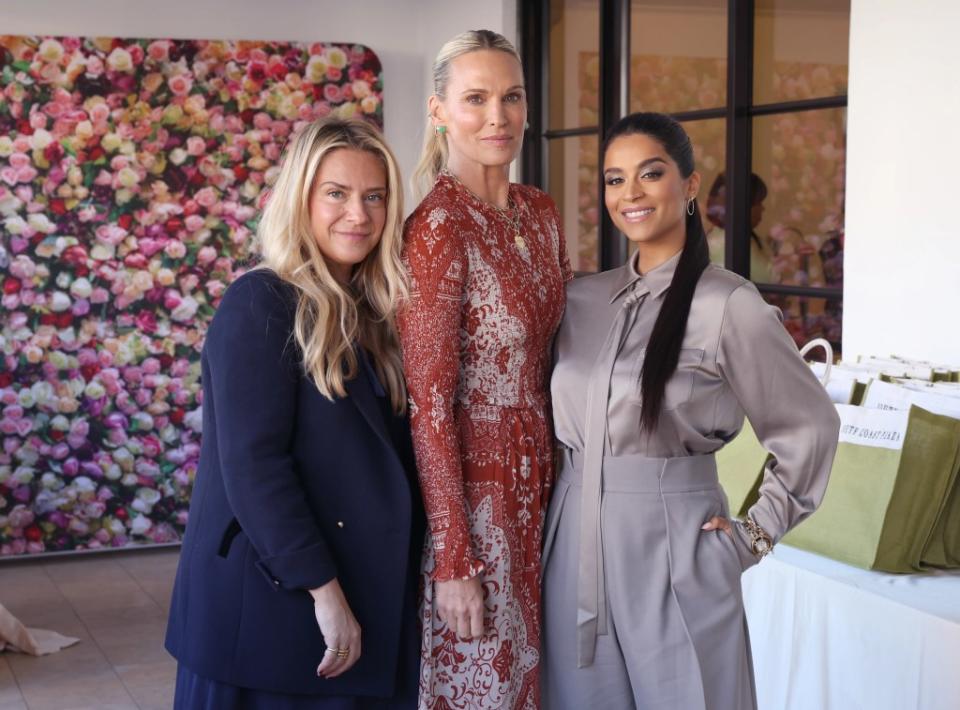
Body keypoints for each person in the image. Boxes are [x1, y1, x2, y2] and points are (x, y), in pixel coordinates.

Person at [542, 112, 840, 710]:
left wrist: (752, 536)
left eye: (650, 174)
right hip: (572, 543)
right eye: (614, 179)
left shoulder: (728, 303)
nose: (630, 193)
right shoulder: (579, 298)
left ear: (691, 184)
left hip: (677, 548)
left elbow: (809, 426)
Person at [165, 117, 424, 709]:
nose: (358, 214)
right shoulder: (260, 302)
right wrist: (323, 593)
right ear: (300, 198)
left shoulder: (376, 311)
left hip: (360, 592)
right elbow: (256, 467)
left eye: (374, 196)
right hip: (279, 605)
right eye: (336, 193)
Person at [398, 29, 572, 710]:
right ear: (440, 110)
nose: (497, 116)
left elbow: (561, 349)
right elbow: (431, 405)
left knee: (545, 678)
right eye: (476, 99)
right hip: (478, 491)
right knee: (485, 683)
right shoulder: (438, 228)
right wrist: (454, 560)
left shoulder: (541, 210)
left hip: (549, 475)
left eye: (511, 97)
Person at [705, 172, 775, 282]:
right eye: (759, 202)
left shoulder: (720, 235)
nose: (763, 208)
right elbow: (769, 279)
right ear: (743, 205)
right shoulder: (733, 241)